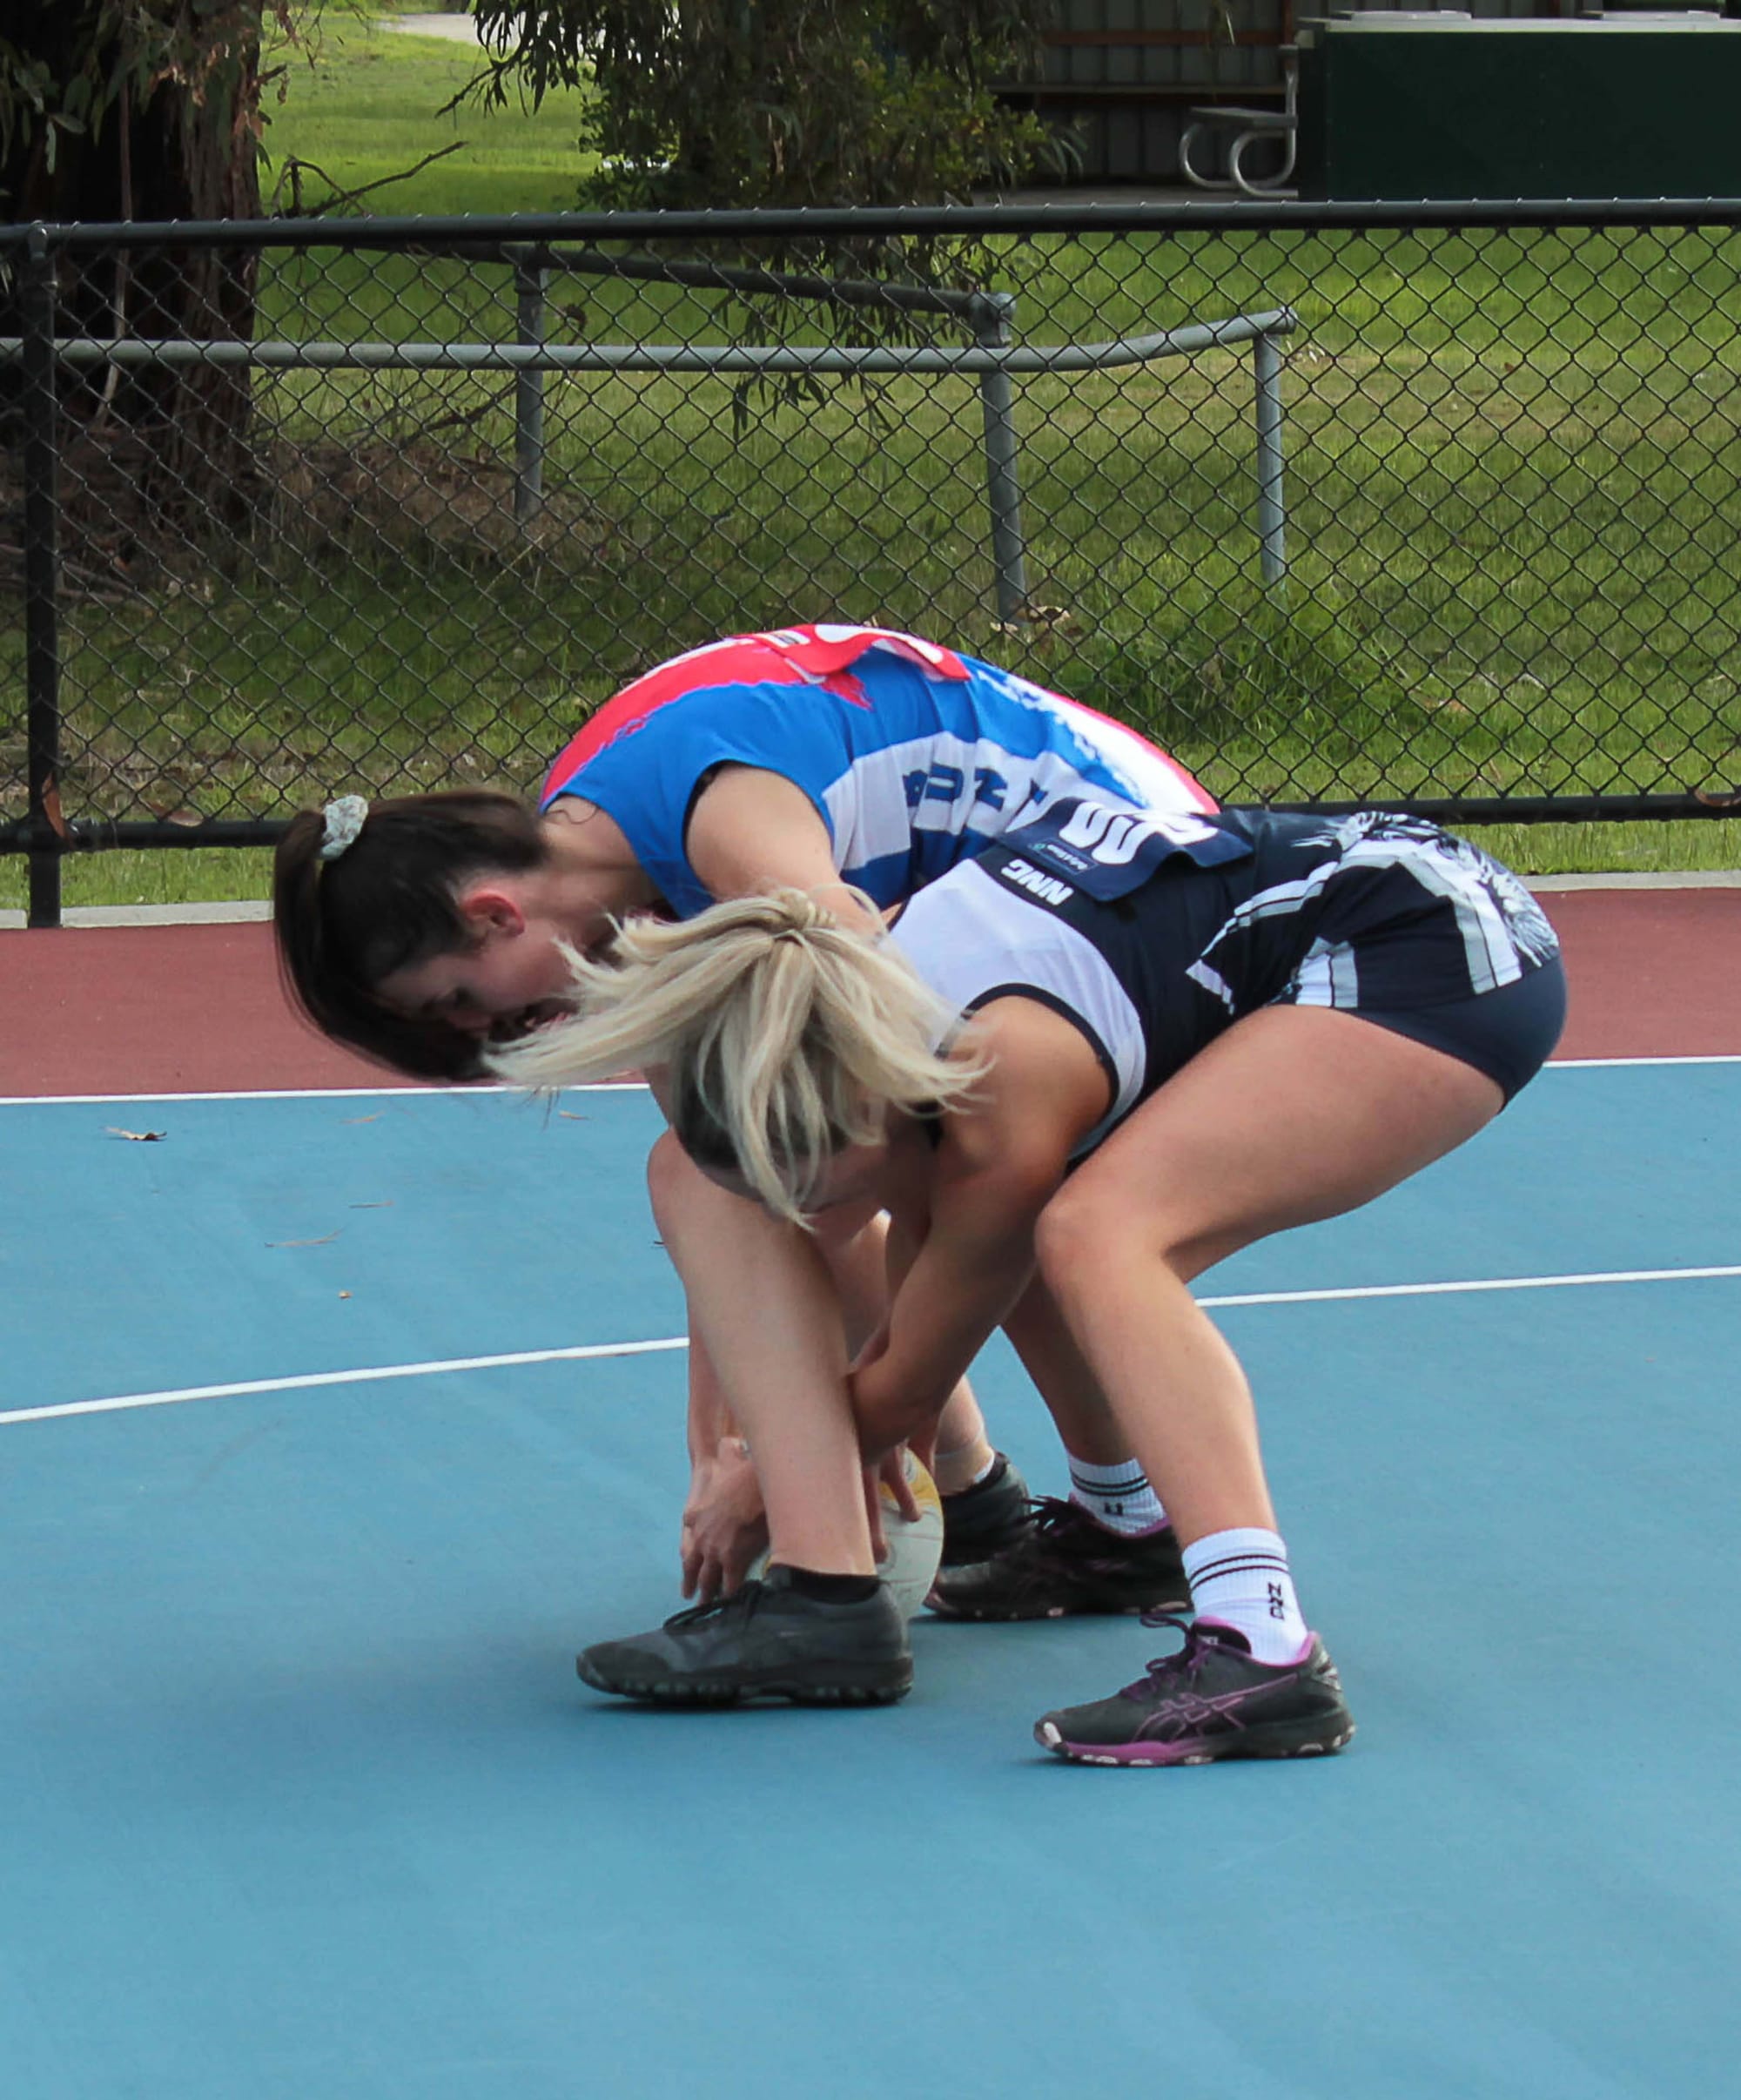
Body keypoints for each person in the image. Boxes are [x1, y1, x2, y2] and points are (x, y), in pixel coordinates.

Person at [492, 798, 1566, 1760]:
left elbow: (914, 1370)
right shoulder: (850, 1015)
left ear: (864, 1108)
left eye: (810, 1186)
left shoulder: (997, 1081)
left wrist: (768, 1479)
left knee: (1103, 1234)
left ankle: (1262, 1648)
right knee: (1037, 1227)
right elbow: (915, 1278)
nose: (809, 1220)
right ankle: (1124, 1535)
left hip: (1427, 943)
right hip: (1318, 917)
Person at [273, 622, 1215, 1628]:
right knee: (772, 1170)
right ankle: (1047, 1513)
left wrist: (820, 1438)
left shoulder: (732, 833)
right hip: (1090, 880)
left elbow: (885, 1125)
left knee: (972, 1177)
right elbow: (742, 1193)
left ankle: (933, 1559)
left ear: (498, 914)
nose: (485, 1031)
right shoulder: (620, 876)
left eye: (458, 999)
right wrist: (715, 1448)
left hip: (1155, 889)